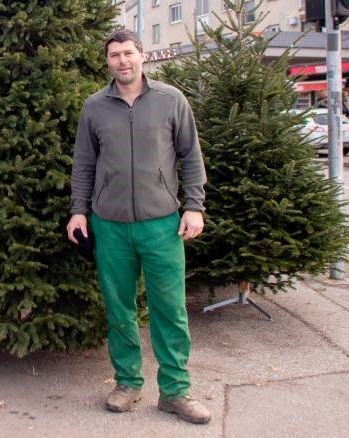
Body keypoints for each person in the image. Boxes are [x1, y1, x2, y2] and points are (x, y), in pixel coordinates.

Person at [67, 28, 211, 424]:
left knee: (170, 309)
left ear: (142, 56)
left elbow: (191, 156)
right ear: (108, 61)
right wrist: (79, 210)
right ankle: (127, 383)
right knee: (119, 309)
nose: (122, 61)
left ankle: (176, 392)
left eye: (128, 53)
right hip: (110, 226)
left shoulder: (170, 100)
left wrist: (194, 207)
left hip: (162, 225)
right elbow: (83, 164)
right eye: (114, 55)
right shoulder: (94, 107)